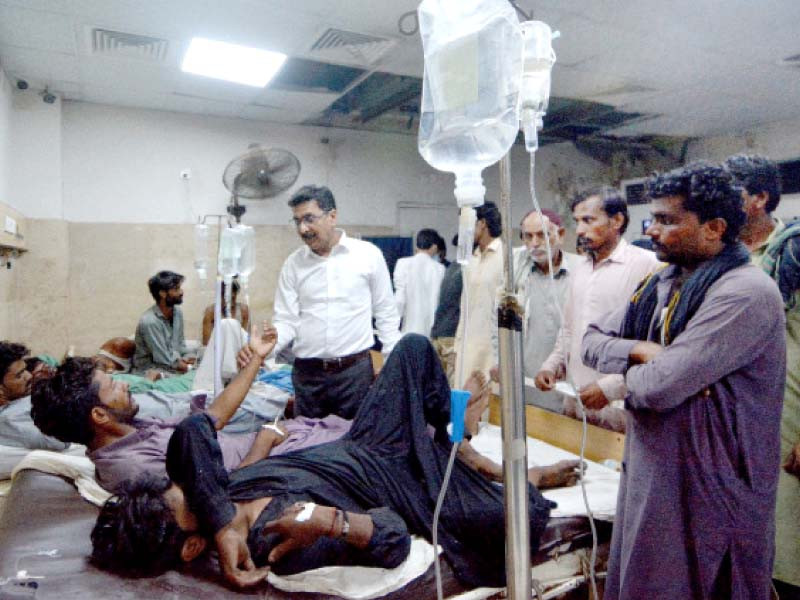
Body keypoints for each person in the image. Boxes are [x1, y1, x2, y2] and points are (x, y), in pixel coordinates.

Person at [90, 334, 581, 589]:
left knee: (411, 348)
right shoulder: (277, 537)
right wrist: (335, 523)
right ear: (193, 547)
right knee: (522, 518)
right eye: (190, 500)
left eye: (187, 487)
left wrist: (226, 505)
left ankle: (469, 451)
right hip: (408, 489)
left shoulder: (212, 494)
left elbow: (195, 433)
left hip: (369, 443)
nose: (197, 487)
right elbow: (391, 538)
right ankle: (476, 461)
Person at [582, 162, 785, 599]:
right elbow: (591, 340)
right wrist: (638, 350)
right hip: (655, 471)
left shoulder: (746, 292)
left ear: (713, 228)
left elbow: (662, 385)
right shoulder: (664, 282)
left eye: (668, 220)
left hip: (712, 488)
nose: (652, 230)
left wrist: (622, 380)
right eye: (652, 218)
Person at [31, 324, 344, 492]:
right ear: (99, 415)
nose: (125, 384)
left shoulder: (133, 429)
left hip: (283, 442)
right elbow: (225, 497)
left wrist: (257, 359)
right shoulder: (134, 469)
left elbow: (214, 418)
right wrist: (264, 440)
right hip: (281, 460)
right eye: (113, 386)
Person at [726, 154, 800, 599]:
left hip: (790, 419)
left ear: (758, 200)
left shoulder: (793, 253)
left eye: (731, 195)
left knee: (788, 551)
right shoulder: (726, 259)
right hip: (742, 422)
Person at [264, 185, 401, 419]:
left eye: (309, 219)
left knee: (352, 446)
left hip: (354, 374)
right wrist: (267, 349)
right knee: (306, 445)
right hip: (308, 376)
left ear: (332, 216)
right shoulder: (293, 264)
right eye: (297, 221)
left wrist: (390, 364)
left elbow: (386, 313)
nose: (303, 228)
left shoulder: (368, 255)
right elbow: (286, 320)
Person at [535, 187, 659, 432]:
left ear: (617, 220)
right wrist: (551, 366)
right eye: (578, 221)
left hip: (621, 405)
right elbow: (570, 329)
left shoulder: (648, 266)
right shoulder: (580, 269)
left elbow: (654, 347)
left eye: (588, 220)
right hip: (575, 399)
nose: (580, 230)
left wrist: (611, 388)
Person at [510, 209, 578, 412]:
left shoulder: (580, 271)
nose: (534, 243)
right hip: (528, 378)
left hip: (567, 379)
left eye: (542, 235)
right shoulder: (518, 272)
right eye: (528, 236)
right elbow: (496, 320)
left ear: (561, 235)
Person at [454, 202, 504, 384]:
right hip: (466, 347)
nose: (462, 230)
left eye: (465, 224)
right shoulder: (470, 259)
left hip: (491, 352)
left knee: (487, 407)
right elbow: (464, 305)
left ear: (481, 223)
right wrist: (458, 345)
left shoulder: (506, 257)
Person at [0, 341, 67, 450]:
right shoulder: (9, 420)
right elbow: (57, 442)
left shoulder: (23, 398)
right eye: (19, 375)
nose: (29, 376)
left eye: (25, 370)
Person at [133, 271, 196, 374]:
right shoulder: (150, 321)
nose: (181, 292)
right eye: (176, 289)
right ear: (162, 293)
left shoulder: (177, 312)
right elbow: (163, 359)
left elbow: (180, 345)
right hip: (153, 371)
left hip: (174, 366)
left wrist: (188, 357)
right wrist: (189, 368)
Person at [393, 228, 445, 337]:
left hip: (409, 329)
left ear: (416, 246)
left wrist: (392, 327)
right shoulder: (440, 269)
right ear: (435, 247)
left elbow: (399, 300)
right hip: (431, 330)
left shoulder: (402, 264)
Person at [431, 234, 463, 384]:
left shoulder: (451, 267)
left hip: (438, 332)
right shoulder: (467, 269)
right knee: (452, 383)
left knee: (438, 385)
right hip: (452, 336)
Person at [202, 277, 250, 346]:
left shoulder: (243, 310)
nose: (232, 295)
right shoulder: (211, 312)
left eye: (234, 292)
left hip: (237, 349)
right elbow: (206, 342)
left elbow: (246, 339)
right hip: (215, 348)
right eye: (225, 294)